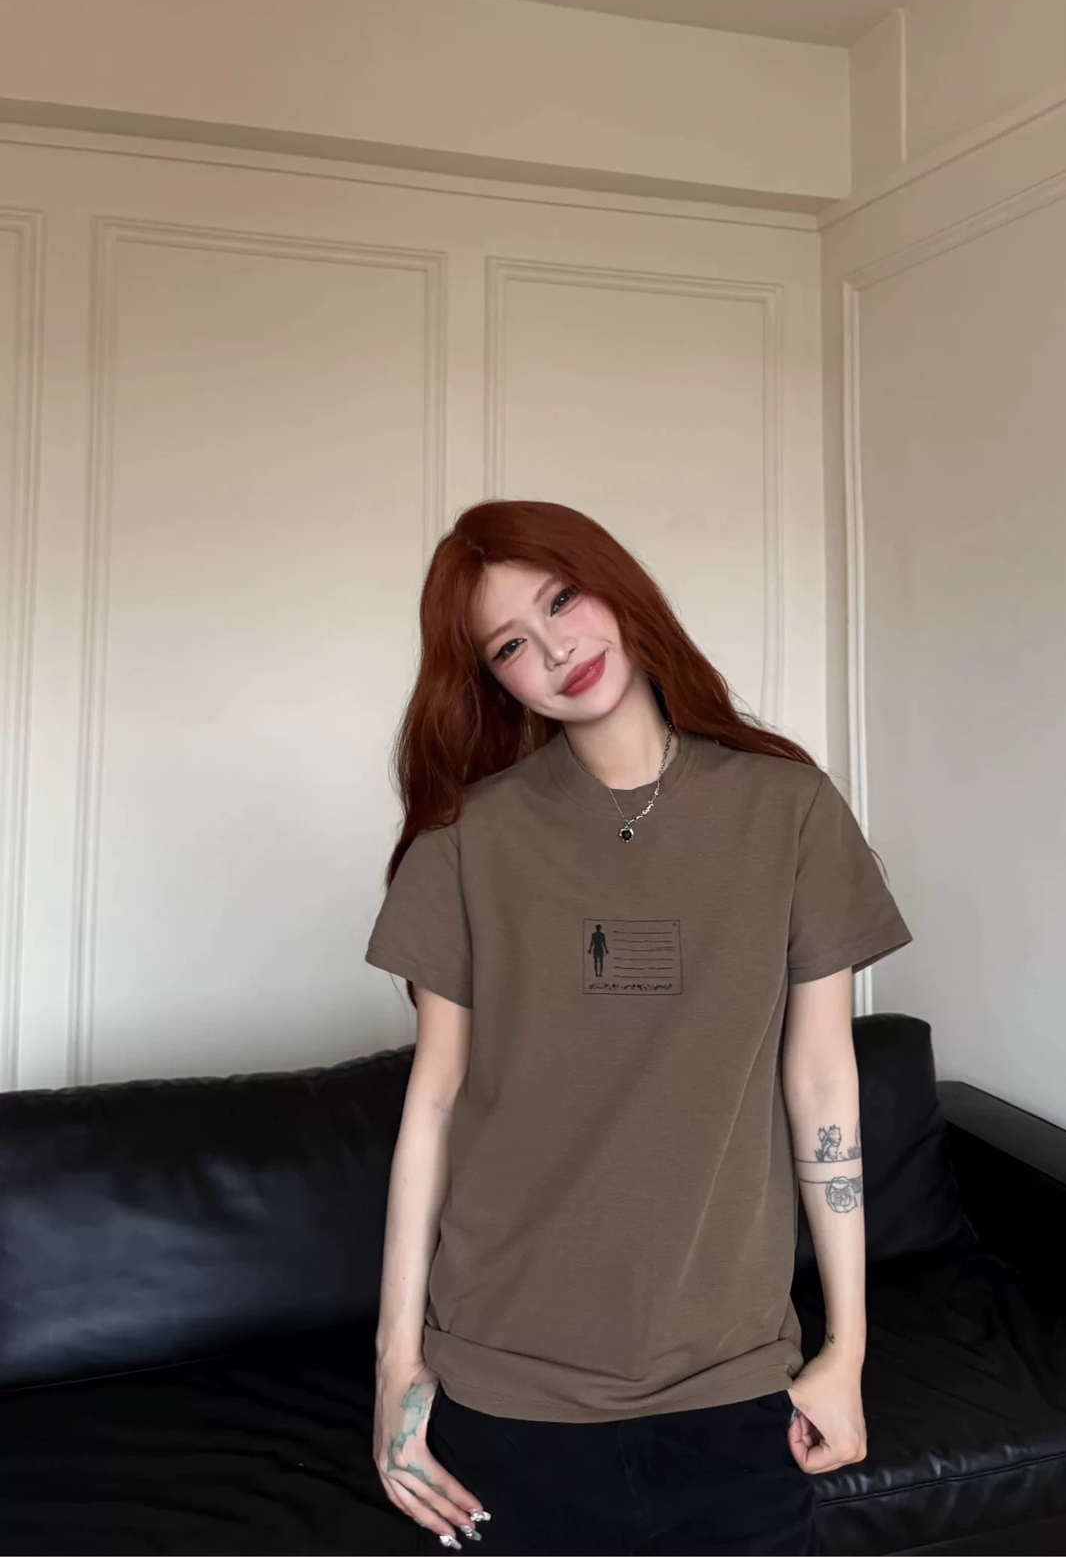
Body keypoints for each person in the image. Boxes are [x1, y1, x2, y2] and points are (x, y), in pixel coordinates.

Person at [365, 499, 913, 1556]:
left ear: (616, 586)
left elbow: (822, 1080)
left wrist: (846, 1346)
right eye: (509, 644)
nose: (554, 648)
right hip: (502, 1376)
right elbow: (432, 1103)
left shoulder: (791, 809)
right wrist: (398, 1365)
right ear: (492, 681)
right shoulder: (466, 840)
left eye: (562, 598)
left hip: (730, 1377)